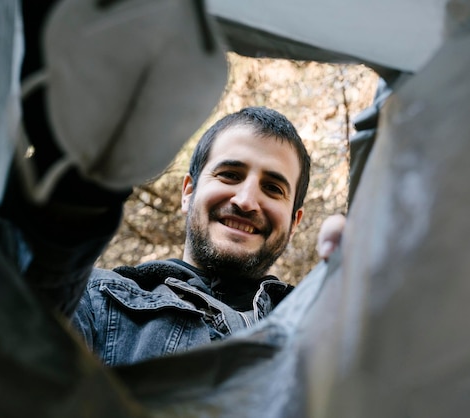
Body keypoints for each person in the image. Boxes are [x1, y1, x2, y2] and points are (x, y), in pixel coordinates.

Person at [71, 106, 336, 367]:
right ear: (188, 192)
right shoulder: (96, 302)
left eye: (273, 188)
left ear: (294, 222)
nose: (246, 201)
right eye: (230, 175)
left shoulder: (326, 331)